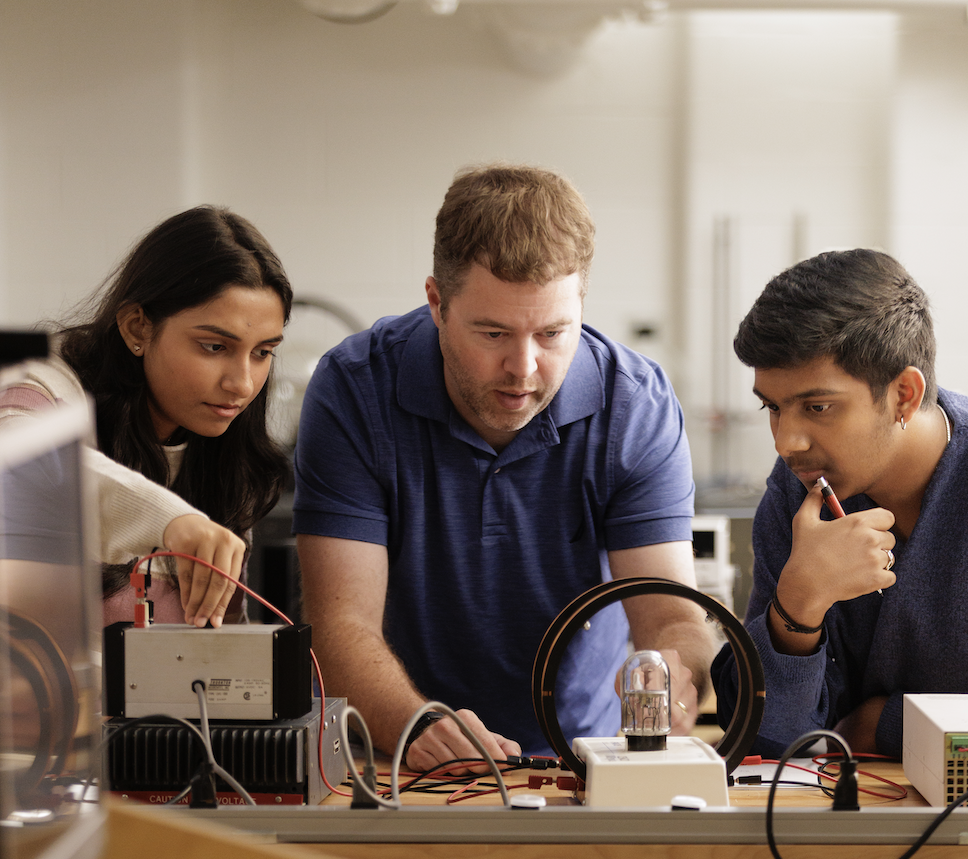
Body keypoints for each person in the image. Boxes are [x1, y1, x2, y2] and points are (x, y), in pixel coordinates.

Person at [293, 164, 716, 773]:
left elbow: (672, 614)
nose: (523, 367)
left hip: (580, 764)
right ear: (437, 303)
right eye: (492, 332)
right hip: (396, 754)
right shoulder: (355, 388)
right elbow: (338, 623)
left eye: (552, 333)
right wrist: (417, 722)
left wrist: (673, 673)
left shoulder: (636, 405)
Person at [711, 248, 968, 758]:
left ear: (904, 395)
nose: (786, 442)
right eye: (772, 407)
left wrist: (886, 726)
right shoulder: (797, 493)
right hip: (846, 827)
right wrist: (797, 608)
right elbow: (766, 745)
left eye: (817, 407)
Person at [0, 205, 293, 629]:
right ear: (137, 327)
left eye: (262, 352)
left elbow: (218, 653)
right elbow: (19, 465)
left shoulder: (221, 449)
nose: (243, 384)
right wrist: (173, 519)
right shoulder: (33, 382)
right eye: (214, 347)